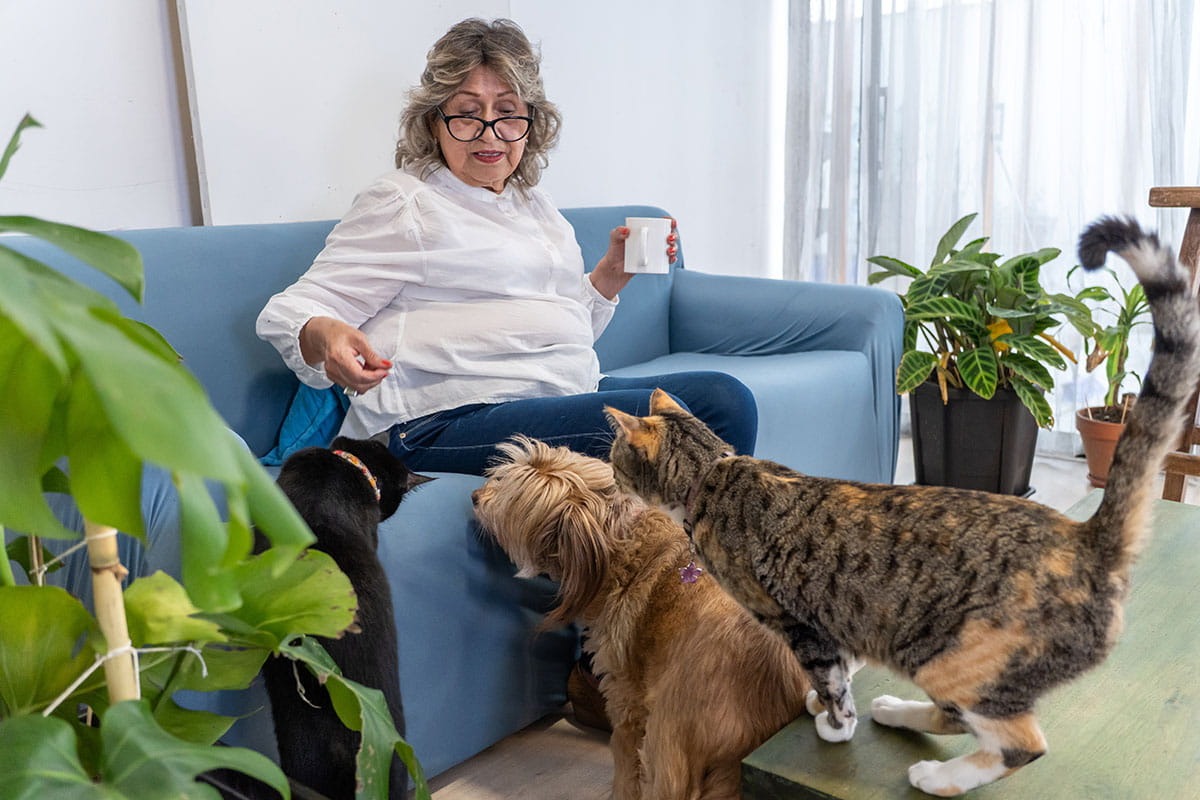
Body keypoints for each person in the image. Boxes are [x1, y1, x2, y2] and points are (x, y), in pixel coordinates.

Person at [255, 18, 757, 476]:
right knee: (657, 427)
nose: (489, 133)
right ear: (435, 121)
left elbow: (557, 330)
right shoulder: (405, 202)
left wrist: (608, 277)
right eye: (468, 114)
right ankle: (689, 566)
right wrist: (328, 333)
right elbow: (289, 311)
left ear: (531, 122)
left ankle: (696, 565)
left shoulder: (536, 206)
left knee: (725, 399)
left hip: (555, 395)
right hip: (440, 419)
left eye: (508, 113)